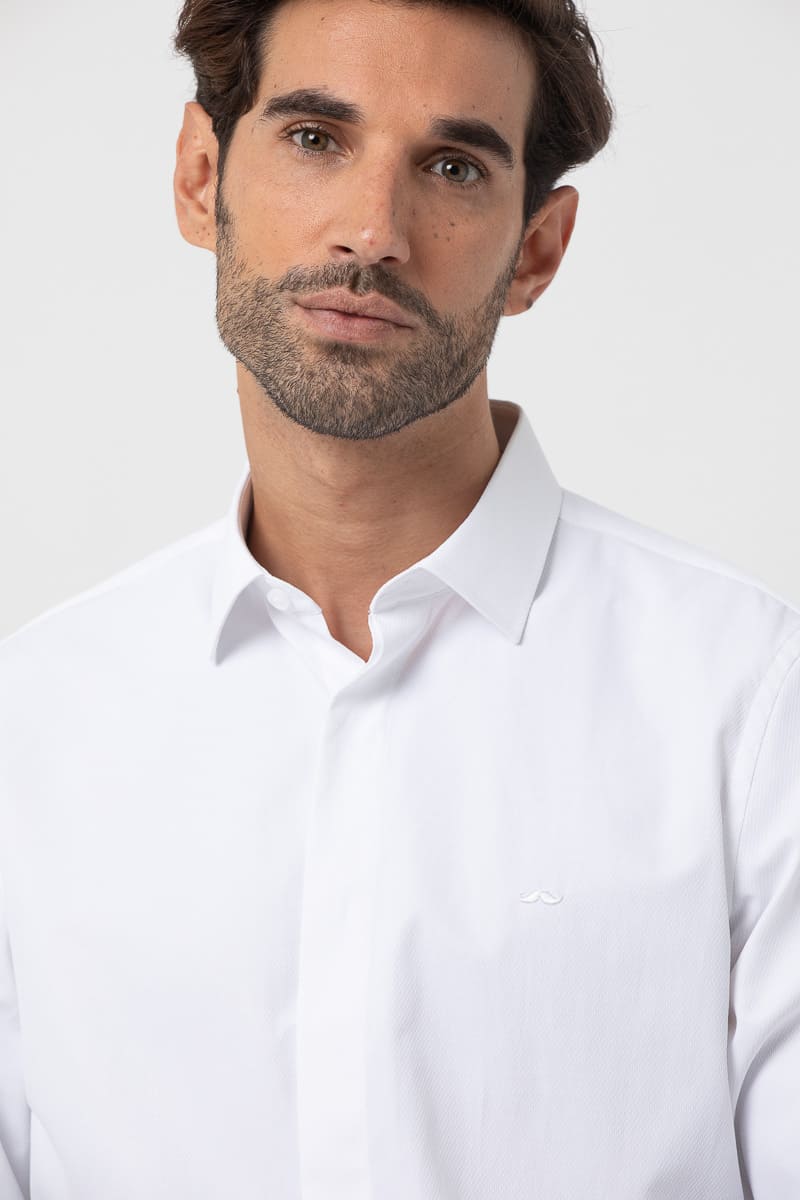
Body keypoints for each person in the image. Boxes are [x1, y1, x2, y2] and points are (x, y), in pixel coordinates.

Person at [0, 0, 797, 1195]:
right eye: (315, 138)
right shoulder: (34, 721)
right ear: (200, 176)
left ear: (536, 251)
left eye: (452, 166)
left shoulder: (750, 705)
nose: (372, 232)